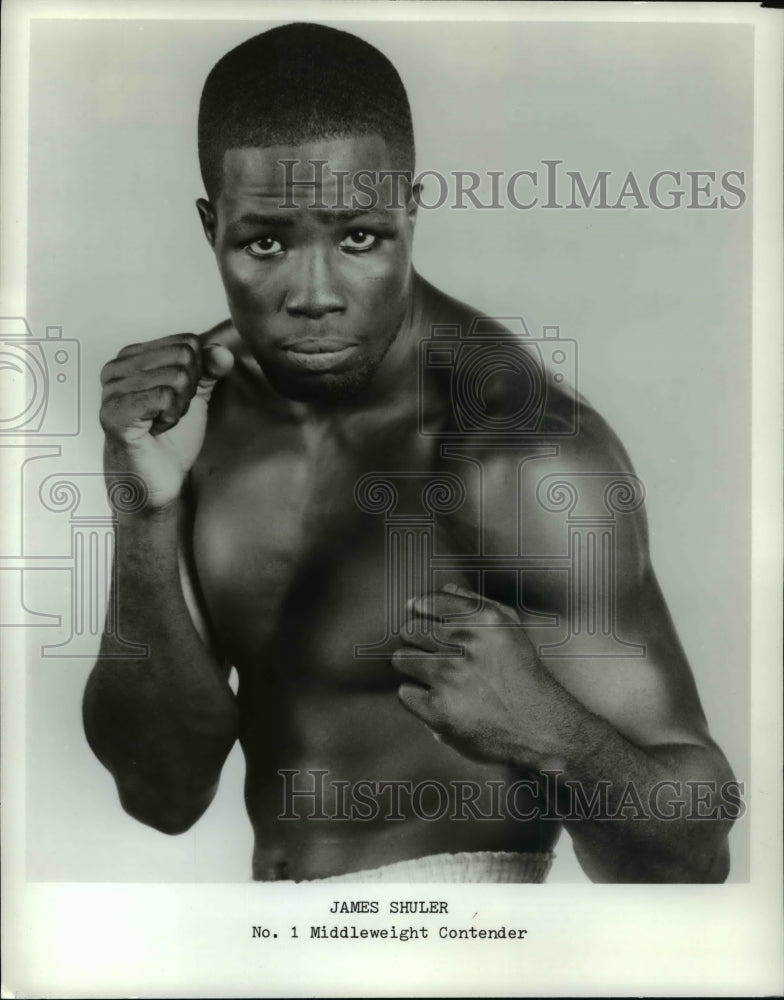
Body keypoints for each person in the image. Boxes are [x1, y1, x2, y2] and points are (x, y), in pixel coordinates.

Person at [83, 21, 737, 883]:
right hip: (264, 947)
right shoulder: (198, 417)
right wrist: (144, 514)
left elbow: (693, 855)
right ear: (213, 226)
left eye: (359, 237)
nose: (313, 296)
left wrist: (555, 733)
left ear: (411, 210)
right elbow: (160, 795)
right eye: (266, 243)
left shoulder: (518, 453)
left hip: (464, 947)